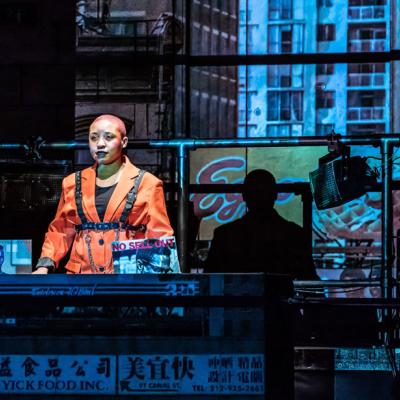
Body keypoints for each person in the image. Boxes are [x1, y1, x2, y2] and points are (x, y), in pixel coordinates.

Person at [34, 114, 173, 274]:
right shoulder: (72, 182)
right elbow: (61, 230)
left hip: (128, 277)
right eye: (93, 138)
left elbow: (159, 234)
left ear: (124, 142)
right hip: (81, 279)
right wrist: (44, 265)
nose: (100, 144)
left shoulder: (147, 183)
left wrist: (155, 279)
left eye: (108, 137)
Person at [205, 169, 318, 280]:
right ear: (275, 195)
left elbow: (208, 283)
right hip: (281, 298)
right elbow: (310, 282)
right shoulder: (294, 234)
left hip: (236, 299)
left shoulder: (225, 235)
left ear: (244, 196)